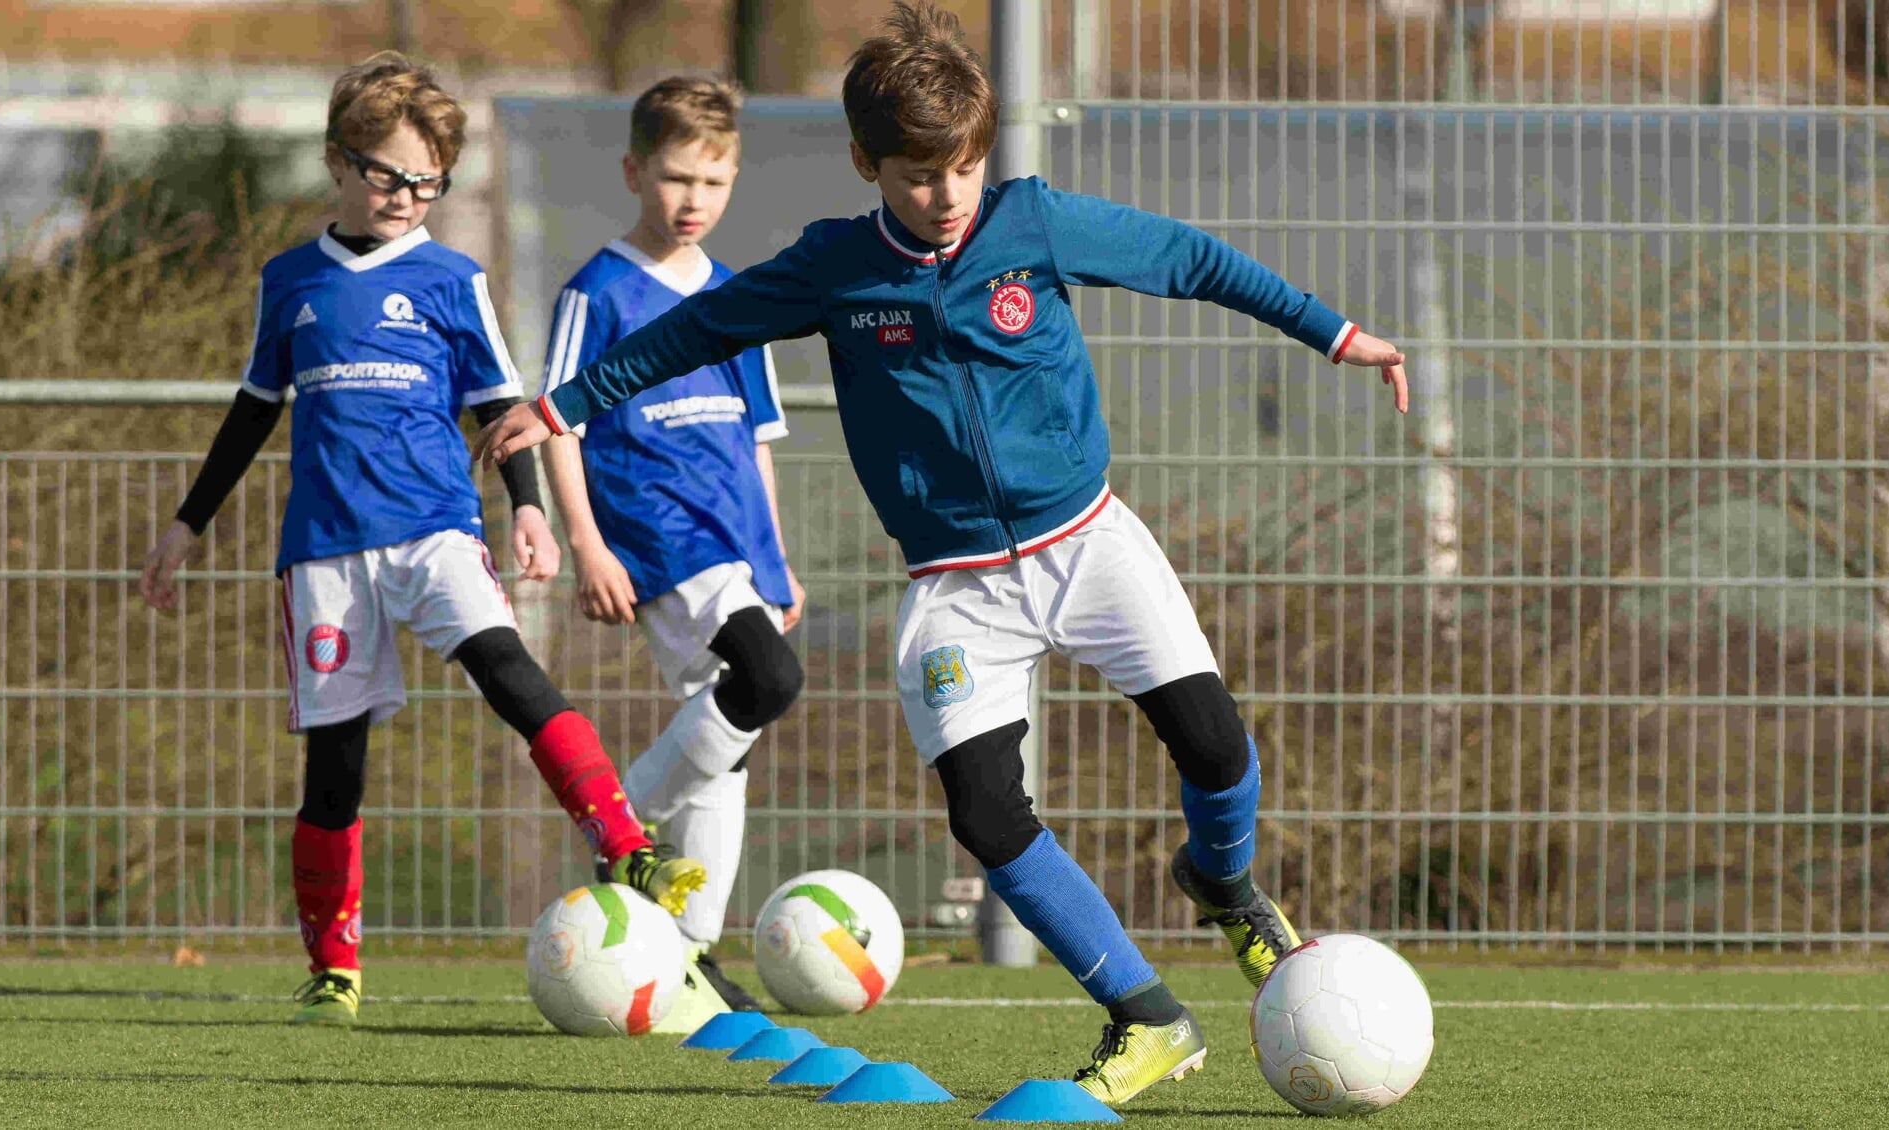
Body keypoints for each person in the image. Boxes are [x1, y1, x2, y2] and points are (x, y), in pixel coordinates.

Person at [475, 2, 1409, 1103]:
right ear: (869, 163)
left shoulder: (1035, 222)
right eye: (920, 174)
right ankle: (1148, 1016)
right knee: (983, 809)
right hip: (956, 586)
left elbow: (1192, 260)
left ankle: (1223, 879)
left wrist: (1336, 332)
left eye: (965, 165)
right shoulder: (833, 267)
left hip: (1089, 541)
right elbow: (700, 329)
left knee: (1211, 744)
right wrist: (568, 401)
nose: (948, 193)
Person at [138, 52, 704, 1028]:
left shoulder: (452, 278)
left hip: (436, 530)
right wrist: (190, 521)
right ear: (338, 163)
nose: (408, 195)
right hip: (322, 549)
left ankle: (625, 841)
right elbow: (250, 412)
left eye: (429, 181)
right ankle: (333, 968)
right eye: (390, 174)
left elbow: (499, 403)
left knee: (510, 672)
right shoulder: (291, 282)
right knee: (335, 767)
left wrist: (529, 505)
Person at [537, 75, 805, 1028]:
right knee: (767, 680)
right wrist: (585, 545)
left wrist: (777, 562)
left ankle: (690, 952)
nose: (694, 200)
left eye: (715, 182)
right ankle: (619, 816)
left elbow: (757, 433)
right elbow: (557, 424)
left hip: (737, 543)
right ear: (633, 172)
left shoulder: (738, 296)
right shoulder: (597, 293)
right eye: (676, 177)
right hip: (658, 532)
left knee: (727, 751)